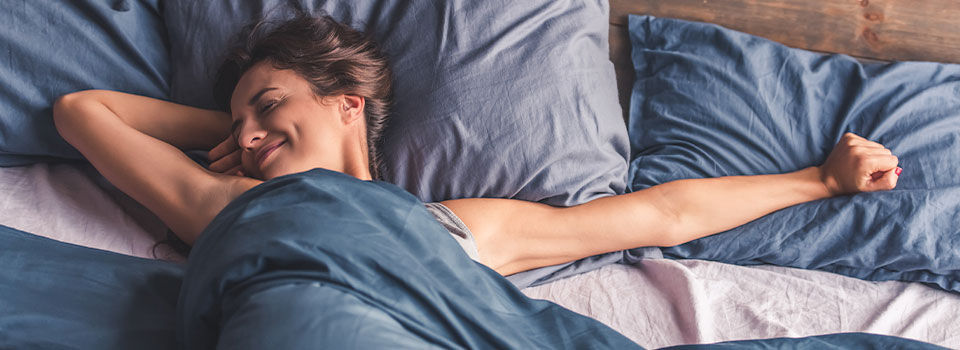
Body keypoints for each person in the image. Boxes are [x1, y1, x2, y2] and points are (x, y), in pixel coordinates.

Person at [52, 14, 901, 277]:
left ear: (348, 105)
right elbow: (81, 110)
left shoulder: (459, 226)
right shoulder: (225, 206)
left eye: (269, 103)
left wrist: (819, 182)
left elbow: (662, 214)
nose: (246, 129)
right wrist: (240, 137)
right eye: (236, 119)